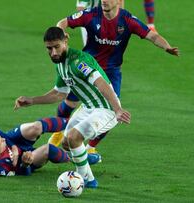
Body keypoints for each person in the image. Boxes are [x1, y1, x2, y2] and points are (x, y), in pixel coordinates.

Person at [49, 0, 179, 154]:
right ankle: (58, 131)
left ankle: (90, 147)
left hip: (111, 72)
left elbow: (152, 36)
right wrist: (61, 34)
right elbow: (63, 22)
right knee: (70, 102)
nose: (104, 0)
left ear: (119, 1)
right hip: (85, 69)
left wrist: (167, 47)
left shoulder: (128, 20)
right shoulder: (91, 14)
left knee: (112, 110)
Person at [14, 27, 130, 188]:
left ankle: (88, 181)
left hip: (106, 109)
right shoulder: (60, 64)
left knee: (74, 137)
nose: (53, 52)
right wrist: (32, 100)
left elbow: (101, 83)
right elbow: (59, 94)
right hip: (88, 108)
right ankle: (84, 157)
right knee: (66, 143)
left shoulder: (79, 61)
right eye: (49, 48)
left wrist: (117, 109)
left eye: (57, 47)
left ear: (66, 40)